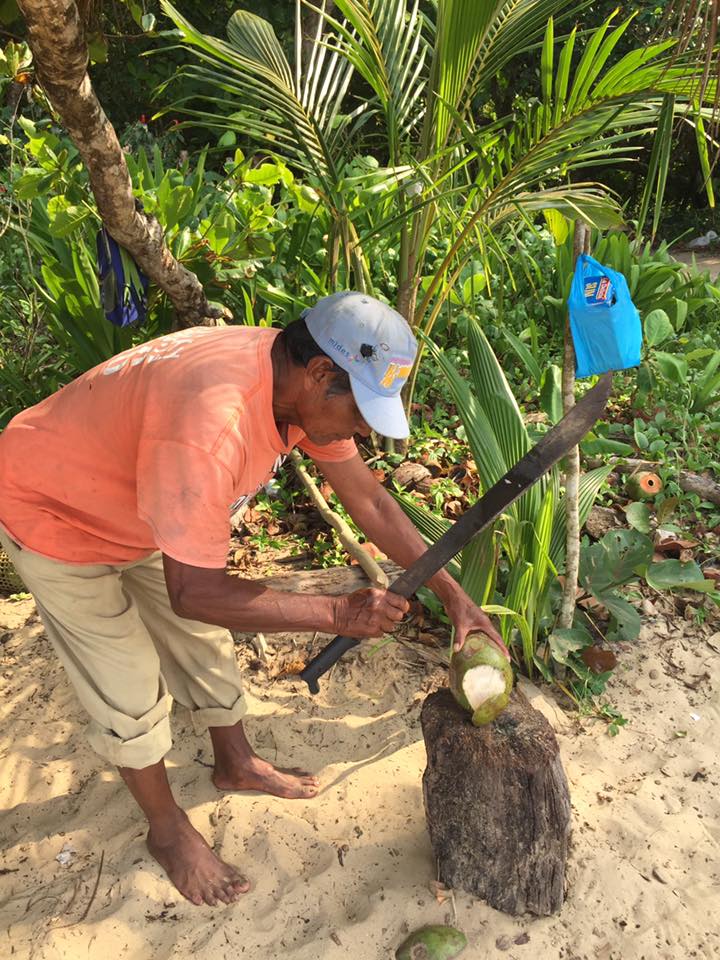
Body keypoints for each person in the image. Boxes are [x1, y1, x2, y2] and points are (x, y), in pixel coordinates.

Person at [0, 291, 507, 907]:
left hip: (141, 504)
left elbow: (370, 500)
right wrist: (338, 613)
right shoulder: (213, 423)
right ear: (323, 375)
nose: (362, 430)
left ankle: (234, 764)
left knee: (204, 646)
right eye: (361, 411)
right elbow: (194, 592)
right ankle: (167, 830)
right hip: (54, 510)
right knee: (126, 679)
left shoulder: (291, 384)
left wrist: (452, 595)